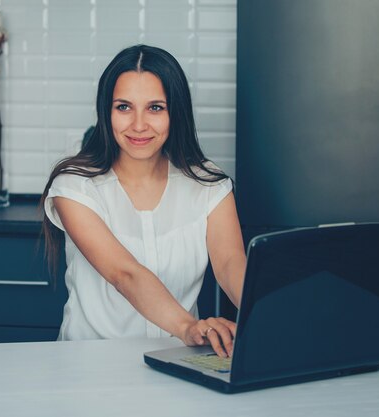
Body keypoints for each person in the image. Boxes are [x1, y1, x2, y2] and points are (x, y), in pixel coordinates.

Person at [41, 44, 246, 358]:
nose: (138, 125)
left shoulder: (208, 183)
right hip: (88, 366)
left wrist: (271, 319)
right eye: (124, 107)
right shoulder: (75, 186)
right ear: (105, 111)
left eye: (155, 108)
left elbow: (232, 264)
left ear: (175, 112)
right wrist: (190, 327)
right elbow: (125, 274)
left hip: (181, 363)